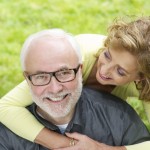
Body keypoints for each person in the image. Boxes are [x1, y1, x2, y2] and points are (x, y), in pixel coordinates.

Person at [0, 16, 150, 149]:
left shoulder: (145, 87)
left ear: (140, 77)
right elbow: (5, 107)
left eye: (120, 71)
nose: (104, 71)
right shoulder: (78, 52)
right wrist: (59, 143)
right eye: (107, 55)